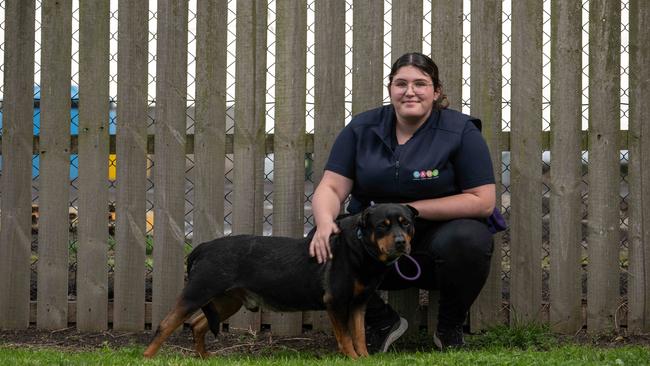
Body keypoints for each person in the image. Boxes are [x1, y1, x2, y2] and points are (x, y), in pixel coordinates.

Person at [309, 52, 499, 353]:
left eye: (420, 84)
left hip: (435, 243)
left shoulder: (460, 131)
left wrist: (407, 213)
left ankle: (449, 329)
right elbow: (331, 187)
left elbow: (483, 201)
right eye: (401, 83)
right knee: (325, 241)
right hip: (372, 242)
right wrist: (323, 221)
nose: (410, 91)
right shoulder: (362, 128)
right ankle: (381, 322)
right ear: (390, 89)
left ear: (436, 91)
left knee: (470, 239)